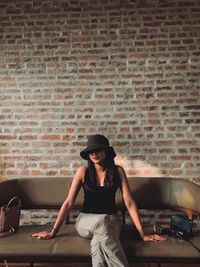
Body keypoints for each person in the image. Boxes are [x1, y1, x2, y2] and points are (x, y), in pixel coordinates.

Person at [32, 134, 166, 266]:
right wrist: (52, 232)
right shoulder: (82, 172)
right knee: (102, 221)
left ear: (106, 152)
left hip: (112, 220)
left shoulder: (118, 171)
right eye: (91, 151)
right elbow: (68, 203)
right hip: (86, 221)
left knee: (97, 243)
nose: (94, 154)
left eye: (98, 150)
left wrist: (142, 234)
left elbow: (129, 202)